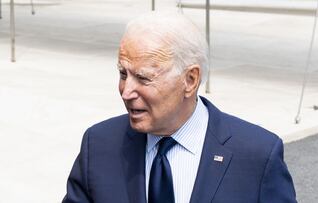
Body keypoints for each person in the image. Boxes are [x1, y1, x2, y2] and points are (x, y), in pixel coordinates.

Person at [63, 11, 296, 203]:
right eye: (123, 74)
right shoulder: (99, 145)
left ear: (190, 80)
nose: (126, 91)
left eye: (144, 78)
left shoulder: (258, 156)